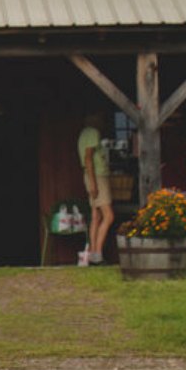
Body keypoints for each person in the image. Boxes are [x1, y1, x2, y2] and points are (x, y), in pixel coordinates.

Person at [76, 112, 114, 265]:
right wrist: (93, 183)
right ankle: (97, 253)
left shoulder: (84, 133)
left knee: (96, 216)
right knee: (109, 215)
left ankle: (92, 254)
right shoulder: (93, 133)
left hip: (91, 176)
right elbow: (88, 158)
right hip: (97, 176)